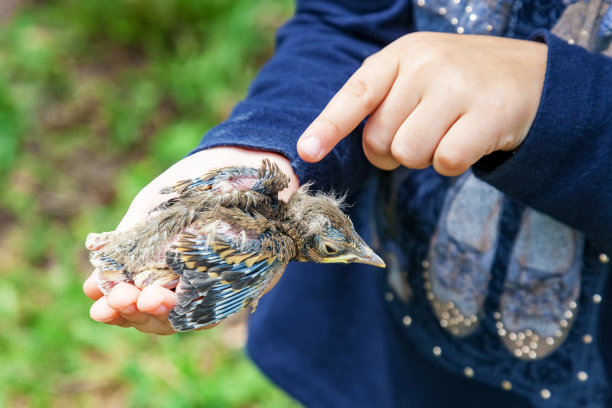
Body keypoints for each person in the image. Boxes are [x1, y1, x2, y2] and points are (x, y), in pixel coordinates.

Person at [84, 0, 612, 406]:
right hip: (384, 360)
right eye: (337, 246)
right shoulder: (263, 229)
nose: (349, 250)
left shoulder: (259, 229)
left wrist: (558, 98)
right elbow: (344, 23)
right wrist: (259, 146)